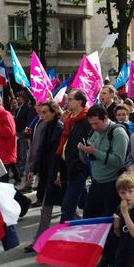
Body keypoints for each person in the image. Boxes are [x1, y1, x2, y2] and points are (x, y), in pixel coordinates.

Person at [78, 104, 130, 267]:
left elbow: (118, 160)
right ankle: (106, 256)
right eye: (91, 124)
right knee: (91, 220)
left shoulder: (118, 133)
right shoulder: (95, 133)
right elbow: (90, 159)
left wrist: (95, 152)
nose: (94, 128)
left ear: (105, 118)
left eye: (96, 124)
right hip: (97, 182)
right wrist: (84, 151)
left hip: (112, 184)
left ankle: (115, 262)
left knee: (112, 225)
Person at [25, 101, 64, 252]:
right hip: (47, 173)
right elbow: (41, 150)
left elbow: (58, 155)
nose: (42, 115)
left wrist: (58, 175)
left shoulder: (59, 128)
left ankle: (43, 241)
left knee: (65, 208)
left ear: (54, 112)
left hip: (56, 174)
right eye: (41, 112)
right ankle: (40, 241)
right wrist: (33, 169)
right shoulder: (47, 126)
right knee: (49, 207)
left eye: (45, 112)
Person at [56, 89, 92, 222]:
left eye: (70, 99)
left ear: (79, 102)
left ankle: (62, 235)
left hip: (79, 166)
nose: (67, 101)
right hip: (68, 165)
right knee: (84, 201)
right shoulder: (69, 120)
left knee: (67, 206)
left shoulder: (87, 121)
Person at [14, 92, 35, 189]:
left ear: (24, 98)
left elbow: (27, 119)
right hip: (18, 132)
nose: (18, 99)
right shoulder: (20, 106)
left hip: (23, 132)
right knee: (20, 151)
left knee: (24, 152)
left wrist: (25, 131)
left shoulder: (28, 107)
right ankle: (20, 169)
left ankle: (22, 171)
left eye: (20, 97)